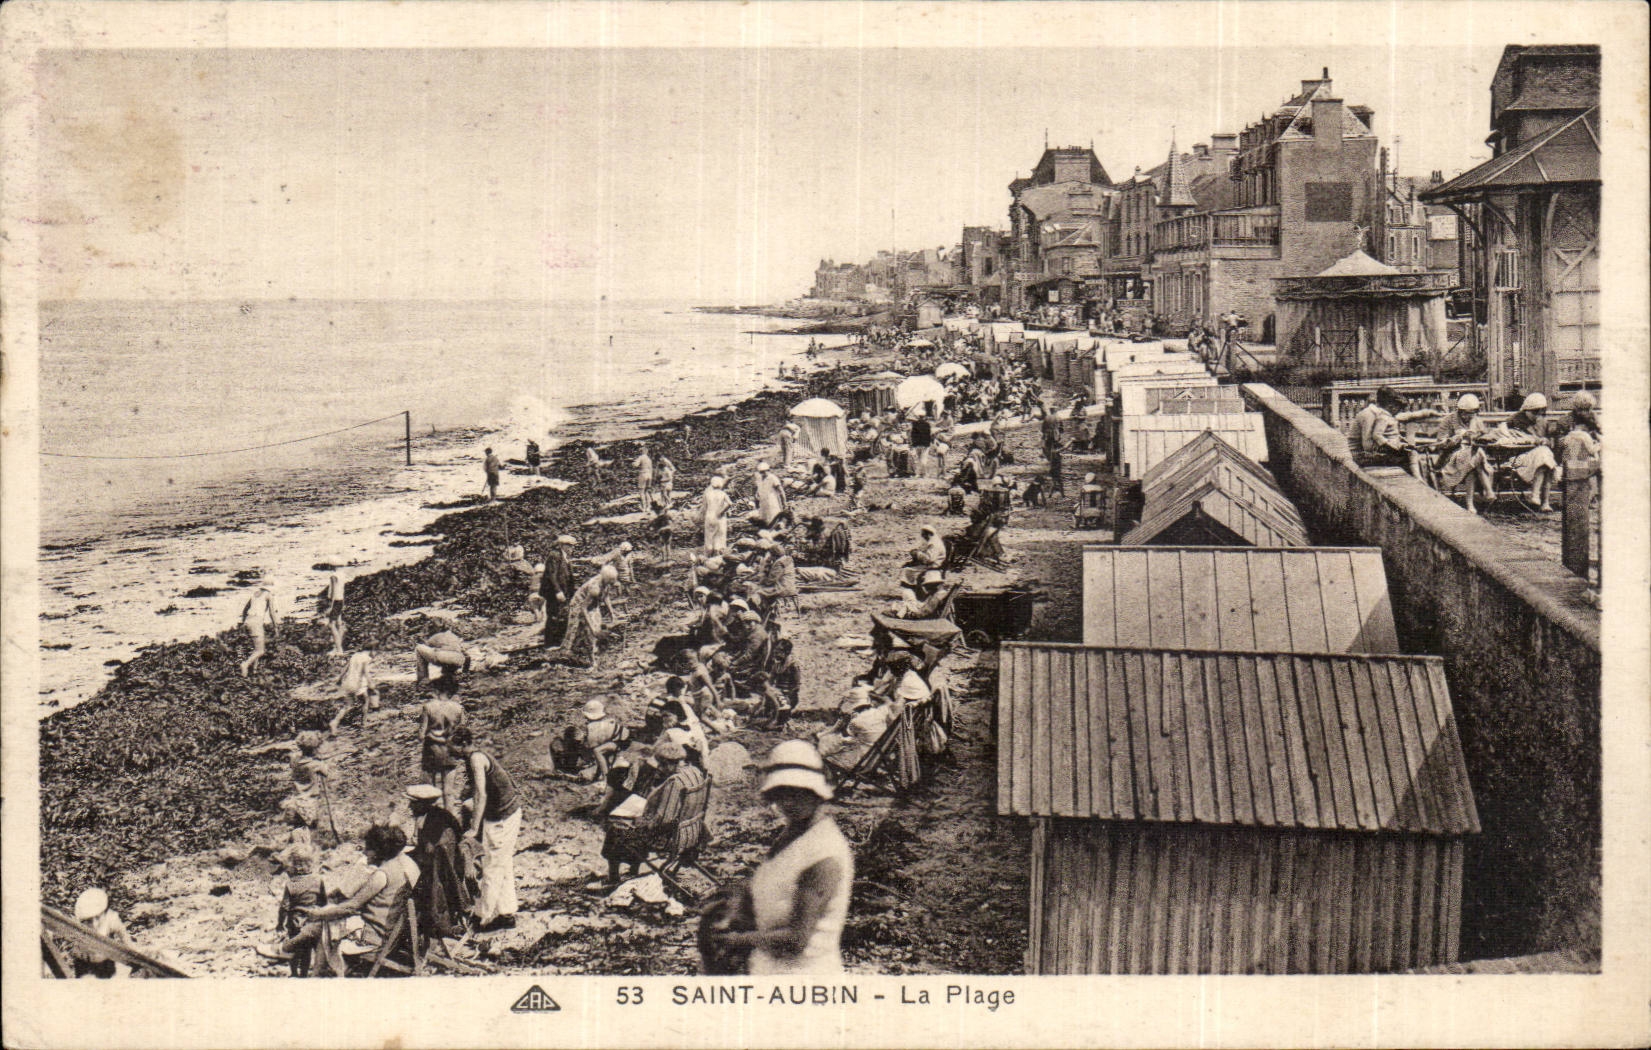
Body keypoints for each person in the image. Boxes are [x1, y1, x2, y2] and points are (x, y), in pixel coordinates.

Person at [713, 741, 853, 974]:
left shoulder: (822, 852)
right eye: (782, 793)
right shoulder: (793, 832)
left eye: (798, 793)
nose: (788, 802)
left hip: (802, 976)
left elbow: (796, 940)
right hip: (770, 967)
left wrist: (737, 941)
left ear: (816, 793)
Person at [258, 824, 420, 961]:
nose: (364, 853)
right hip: (389, 932)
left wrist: (319, 914)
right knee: (329, 916)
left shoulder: (382, 875)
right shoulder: (400, 865)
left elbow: (351, 906)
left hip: (374, 937)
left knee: (323, 922)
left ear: (378, 851)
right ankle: (290, 948)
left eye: (367, 849)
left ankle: (289, 951)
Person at [596, 739, 708, 888]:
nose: (660, 769)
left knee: (616, 830)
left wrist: (641, 821)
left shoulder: (675, 782)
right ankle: (632, 869)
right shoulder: (695, 772)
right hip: (692, 831)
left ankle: (614, 878)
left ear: (669, 763)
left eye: (662, 765)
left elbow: (664, 819)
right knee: (629, 826)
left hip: (669, 838)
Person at [451, 727, 521, 931]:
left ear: (463, 744)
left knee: (492, 866)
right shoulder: (475, 757)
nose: (450, 751)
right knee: (502, 863)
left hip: (502, 816)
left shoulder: (476, 759)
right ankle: (506, 913)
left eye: (452, 746)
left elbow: (481, 794)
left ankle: (484, 917)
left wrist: (473, 827)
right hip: (504, 812)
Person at [407, 783, 472, 938]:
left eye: (413, 803)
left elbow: (431, 854)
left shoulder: (437, 823)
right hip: (441, 862)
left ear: (423, 804)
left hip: (446, 868)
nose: (410, 806)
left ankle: (436, 923)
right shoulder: (432, 815)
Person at [1497, 392, 1560, 511]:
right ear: (1526, 410)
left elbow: (1552, 441)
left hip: (1539, 458)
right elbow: (1507, 438)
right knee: (1545, 456)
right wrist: (1531, 440)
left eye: (1540, 413)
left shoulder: (1543, 422)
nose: (1537, 416)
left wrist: (1546, 441)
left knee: (1545, 457)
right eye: (1534, 412)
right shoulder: (1514, 421)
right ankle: (1540, 498)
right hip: (1519, 458)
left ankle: (1541, 499)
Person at [1431, 393, 1495, 512]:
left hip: (1470, 459)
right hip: (1450, 457)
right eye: (1466, 414)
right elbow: (1440, 443)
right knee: (1474, 457)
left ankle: (1470, 505)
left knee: (1471, 465)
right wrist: (1454, 439)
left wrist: (1482, 436)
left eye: (1472, 414)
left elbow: (1486, 434)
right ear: (1460, 411)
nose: (1468, 417)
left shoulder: (1476, 420)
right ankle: (1488, 490)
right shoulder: (1449, 420)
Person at [552, 563, 618, 668]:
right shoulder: (595, 588)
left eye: (613, 581)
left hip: (592, 604)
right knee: (581, 630)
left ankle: (593, 653)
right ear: (606, 578)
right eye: (611, 581)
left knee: (597, 627)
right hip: (579, 605)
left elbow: (605, 596)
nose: (612, 584)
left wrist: (612, 612)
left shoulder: (607, 583)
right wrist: (591, 627)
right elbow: (584, 608)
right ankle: (573, 656)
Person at [273, 842, 328, 955]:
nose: (286, 871)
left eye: (288, 868)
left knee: (295, 951)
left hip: (295, 923)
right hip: (312, 922)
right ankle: (305, 970)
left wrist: (279, 925)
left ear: (296, 867)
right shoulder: (318, 880)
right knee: (308, 951)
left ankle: (294, 970)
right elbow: (324, 902)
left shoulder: (291, 884)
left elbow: (284, 908)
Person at [1352, 387, 1422, 476]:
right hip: (1360, 456)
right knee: (1408, 458)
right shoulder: (1369, 415)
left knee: (1411, 456)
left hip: (1366, 454)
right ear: (1389, 404)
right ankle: (1416, 483)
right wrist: (1392, 448)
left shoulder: (1378, 414)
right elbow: (1368, 446)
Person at [418, 690, 466, 814]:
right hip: (449, 751)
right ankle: (449, 820)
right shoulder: (458, 708)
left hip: (432, 751)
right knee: (448, 792)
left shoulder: (428, 707)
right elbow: (462, 733)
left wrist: (434, 736)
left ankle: (431, 819)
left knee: (429, 790)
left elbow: (421, 735)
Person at [70, 888, 133, 978]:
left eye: (98, 917)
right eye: (89, 920)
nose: (94, 923)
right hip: (85, 963)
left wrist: (135, 959)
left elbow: (126, 939)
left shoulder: (111, 919)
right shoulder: (80, 924)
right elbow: (77, 949)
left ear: (105, 912)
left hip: (105, 962)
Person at [279, 730, 332, 831]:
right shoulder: (315, 764)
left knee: (298, 830)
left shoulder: (294, 761)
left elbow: (293, 761)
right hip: (309, 802)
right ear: (314, 748)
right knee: (310, 830)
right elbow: (326, 772)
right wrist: (321, 761)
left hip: (296, 800)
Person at [540, 535, 578, 647]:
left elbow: (568, 577)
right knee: (554, 616)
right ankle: (550, 644)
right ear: (563, 545)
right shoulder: (555, 555)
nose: (572, 549)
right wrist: (558, 591)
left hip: (563, 591)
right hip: (553, 593)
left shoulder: (565, 557)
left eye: (572, 546)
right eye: (570, 546)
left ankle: (559, 641)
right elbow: (551, 575)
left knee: (562, 615)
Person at [330, 649, 378, 733]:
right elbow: (366, 673)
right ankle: (364, 724)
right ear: (372, 650)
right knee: (365, 701)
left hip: (348, 683)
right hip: (358, 685)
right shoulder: (366, 658)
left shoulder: (354, 655)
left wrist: (339, 680)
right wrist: (371, 683)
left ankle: (335, 722)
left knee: (348, 706)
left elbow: (345, 668)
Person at [239, 581, 279, 678]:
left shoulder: (254, 594)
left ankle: (254, 671)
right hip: (256, 622)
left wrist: (243, 623)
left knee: (256, 647)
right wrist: (276, 627)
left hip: (248, 621)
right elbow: (272, 613)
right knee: (260, 651)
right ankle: (245, 665)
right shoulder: (269, 595)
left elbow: (244, 610)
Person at [702, 475, 733, 554]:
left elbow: (705, 507)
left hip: (709, 516)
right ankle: (718, 555)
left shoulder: (707, 494)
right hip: (719, 517)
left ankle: (708, 555)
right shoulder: (723, 494)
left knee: (709, 537)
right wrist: (722, 511)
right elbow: (730, 503)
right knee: (719, 536)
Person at [753, 461, 788, 528]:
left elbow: (781, 491)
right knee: (764, 521)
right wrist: (756, 503)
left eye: (765, 471)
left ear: (768, 470)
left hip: (772, 503)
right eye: (761, 472)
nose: (763, 473)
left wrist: (784, 503)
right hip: (763, 504)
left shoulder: (773, 478)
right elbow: (758, 491)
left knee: (774, 519)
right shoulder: (759, 479)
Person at [321, 570, 347, 655]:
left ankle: (339, 649)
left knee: (331, 624)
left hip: (335, 601)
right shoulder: (342, 574)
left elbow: (333, 592)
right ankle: (338, 647)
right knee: (339, 623)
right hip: (341, 600)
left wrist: (330, 606)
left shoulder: (333, 576)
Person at [909, 409, 933, 476]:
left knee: (918, 459)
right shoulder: (927, 424)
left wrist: (913, 443)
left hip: (917, 444)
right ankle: (924, 473)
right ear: (924, 416)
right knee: (924, 459)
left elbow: (912, 435)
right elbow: (928, 435)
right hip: (924, 444)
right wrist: (928, 444)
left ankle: (918, 473)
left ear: (918, 416)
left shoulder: (914, 424)